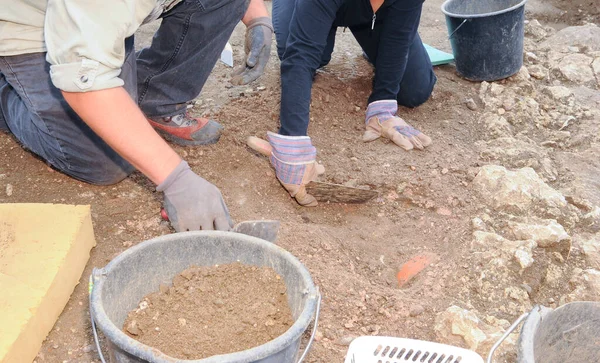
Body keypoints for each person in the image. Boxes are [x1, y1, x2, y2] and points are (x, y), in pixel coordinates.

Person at [0, 0, 273, 231]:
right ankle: (11, 89)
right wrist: (176, 179)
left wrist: (257, 17)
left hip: (100, 17)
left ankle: (154, 101)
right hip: (32, 27)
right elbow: (85, 78)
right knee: (106, 160)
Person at [261, 0, 436, 206]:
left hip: (370, 12)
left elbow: (399, 36)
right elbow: (302, 54)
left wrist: (383, 103)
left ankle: (370, 41)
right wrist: (292, 143)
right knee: (309, 53)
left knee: (415, 89)